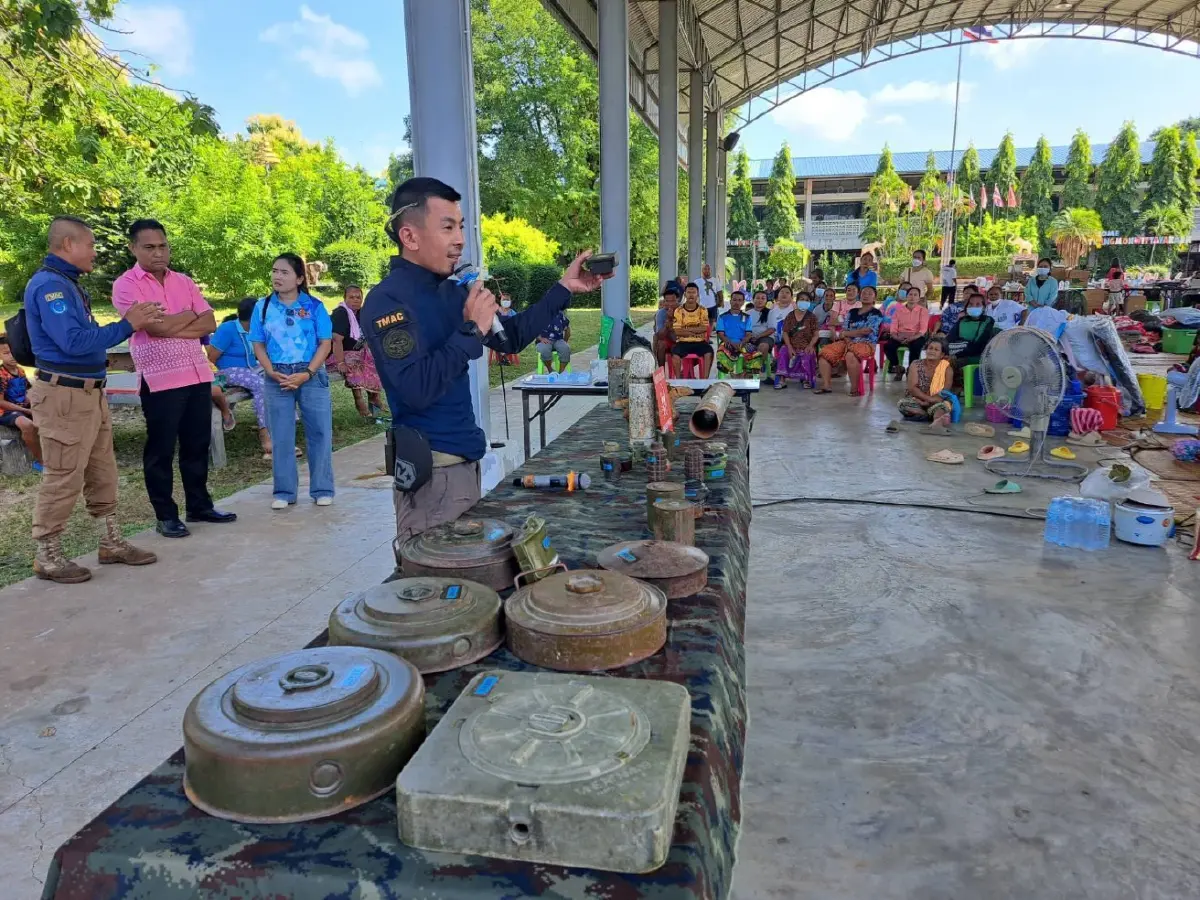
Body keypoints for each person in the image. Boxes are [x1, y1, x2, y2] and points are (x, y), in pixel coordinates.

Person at [362, 177, 611, 547]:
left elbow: (510, 337)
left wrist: (563, 289)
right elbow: (415, 388)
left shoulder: (453, 288)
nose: (460, 238)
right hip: (434, 473)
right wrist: (470, 332)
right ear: (409, 237)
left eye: (461, 226)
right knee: (442, 592)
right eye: (447, 227)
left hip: (466, 464)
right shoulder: (388, 302)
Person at [24, 216, 161, 582]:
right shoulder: (49, 287)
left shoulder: (69, 284)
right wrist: (127, 324)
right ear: (68, 245)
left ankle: (111, 541)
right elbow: (73, 342)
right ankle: (48, 555)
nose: (95, 253)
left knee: (103, 469)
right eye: (91, 245)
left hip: (89, 392)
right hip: (64, 395)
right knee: (63, 474)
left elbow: (83, 336)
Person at [112, 219, 236, 538]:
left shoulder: (183, 281)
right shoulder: (126, 285)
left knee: (197, 443)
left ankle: (199, 505)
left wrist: (173, 322)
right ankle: (166, 515)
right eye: (149, 247)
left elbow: (209, 322)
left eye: (163, 246)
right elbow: (153, 327)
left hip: (196, 374)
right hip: (159, 380)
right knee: (161, 449)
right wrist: (186, 317)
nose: (158, 253)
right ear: (133, 249)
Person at [249, 253, 336, 511]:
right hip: (278, 376)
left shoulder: (315, 306)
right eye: (275, 271)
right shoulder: (262, 306)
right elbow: (258, 344)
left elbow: (326, 343)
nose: (277, 276)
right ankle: (285, 492)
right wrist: (271, 371)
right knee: (282, 436)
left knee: (319, 433)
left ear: (299, 278)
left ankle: (322, 489)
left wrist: (307, 373)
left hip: (310, 375)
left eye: (284, 272)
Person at [208, 297, 273, 459]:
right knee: (260, 384)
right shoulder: (228, 329)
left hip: (253, 368)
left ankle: (285, 429)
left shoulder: (256, 330)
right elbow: (212, 356)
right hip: (230, 371)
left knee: (279, 378)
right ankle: (265, 434)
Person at [330, 284, 385, 418]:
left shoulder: (362, 313)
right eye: (351, 297)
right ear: (345, 298)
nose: (355, 300)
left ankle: (374, 396)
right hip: (338, 353)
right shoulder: (341, 313)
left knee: (376, 361)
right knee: (354, 365)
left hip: (357, 351)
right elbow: (336, 341)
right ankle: (359, 401)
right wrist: (341, 363)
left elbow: (367, 336)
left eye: (358, 297)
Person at [818, 285, 884, 396]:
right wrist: (848, 339)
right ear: (860, 295)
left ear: (874, 298)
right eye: (863, 293)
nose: (866, 295)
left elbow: (866, 331)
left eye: (869, 293)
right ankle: (826, 385)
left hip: (866, 344)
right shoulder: (852, 312)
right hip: (847, 341)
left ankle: (855, 389)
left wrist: (846, 334)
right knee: (824, 353)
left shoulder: (876, 313)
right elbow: (844, 328)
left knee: (851, 354)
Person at [0, 336, 41, 471]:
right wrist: (26, 411)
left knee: (48, 417)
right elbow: (1, 402)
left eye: (14, 351)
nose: (12, 356)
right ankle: (40, 460)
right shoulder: (1, 375)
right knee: (27, 424)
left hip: (22, 408)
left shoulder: (21, 371)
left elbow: (27, 392)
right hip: (5, 412)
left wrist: (33, 403)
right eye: (6, 353)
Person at [898, 334, 955, 427]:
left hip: (937, 401)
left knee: (943, 407)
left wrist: (930, 401)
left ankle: (936, 421)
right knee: (903, 404)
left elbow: (945, 392)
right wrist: (926, 400)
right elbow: (912, 388)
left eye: (936, 349)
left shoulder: (947, 369)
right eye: (930, 348)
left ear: (942, 354)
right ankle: (927, 415)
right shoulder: (916, 364)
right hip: (917, 400)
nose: (932, 351)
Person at [884, 283, 929, 379]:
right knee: (888, 346)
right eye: (910, 294)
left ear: (918, 298)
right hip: (899, 336)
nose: (912, 297)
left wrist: (912, 337)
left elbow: (923, 330)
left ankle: (911, 370)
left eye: (915, 295)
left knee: (916, 346)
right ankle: (898, 367)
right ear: (906, 296)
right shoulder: (898, 311)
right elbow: (893, 328)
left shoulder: (923, 311)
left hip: (916, 336)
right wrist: (897, 337)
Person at [775, 290, 820, 388]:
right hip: (791, 344)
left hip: (806, 345)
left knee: (808, 354)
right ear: (797, 301)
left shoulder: (812, 317)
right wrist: (789, 347)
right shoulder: (790, 316)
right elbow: (785, 332)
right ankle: (782, 380)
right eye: (802, 299)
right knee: (783, 351)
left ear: (810, 303)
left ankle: (806, 379)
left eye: (807, 300)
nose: (804, 301)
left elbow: (816, 334)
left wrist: (810, 345)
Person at [671, 282, 713, 377]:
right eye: (689, 292)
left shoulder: (703, 310)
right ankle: (678, 381)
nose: (691, 294)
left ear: (697, 294)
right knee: (675, 354)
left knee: (709, 352)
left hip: (699, 342)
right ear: (685, 294)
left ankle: (705, 381)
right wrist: (695, 330)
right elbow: (677, 331)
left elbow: (704, 329)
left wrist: (686, 330)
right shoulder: (678, 310)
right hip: (682, 342)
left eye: (693, 292)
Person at [946, 290, 997, 368]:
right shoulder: (962, 320)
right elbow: (950, 338)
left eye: (978, 304)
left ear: (983, 308)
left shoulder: (988, 321)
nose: (974, 306)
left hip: (976, 356)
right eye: (971, 304)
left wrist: (956, 355)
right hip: (956, 353)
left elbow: (980, 344)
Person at [714, 290, 751, 375]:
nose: (736, 302)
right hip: (727, 343)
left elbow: (749, 334)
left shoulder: (748, 317)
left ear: (743, 302)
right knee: (721, 352)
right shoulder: (722, 317)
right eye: (734, 300)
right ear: (730, 301)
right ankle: (730, 374)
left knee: (756, 354)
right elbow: (721, 334)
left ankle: (745, 376)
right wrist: (732, 343)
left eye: (739, 300)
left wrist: (742, 343)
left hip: (743, 343)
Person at [744, 288, 774, 376]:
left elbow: (771, 329)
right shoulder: (747, 313)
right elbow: (744, 329)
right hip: (750, 337)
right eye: (757, 298)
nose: (760, 300)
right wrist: (749, 336)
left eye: (763, 298)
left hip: (766, 338)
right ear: (753, 300)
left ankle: (755, 371)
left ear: (766, 301)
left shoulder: (770, 312)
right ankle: (747, 370)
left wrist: (758, 336)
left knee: (763, 346)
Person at [654, 284, 680, 367]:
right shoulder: (661, 313)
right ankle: (662, 372)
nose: (669, 304)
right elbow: (660, 336)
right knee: (661, 344)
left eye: (672, 301)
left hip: (682, 341)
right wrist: (668, 320)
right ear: (664, 301)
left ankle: (684, 372)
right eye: (667, 301)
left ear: (678, 300)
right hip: (668, 340)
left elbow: (678, 336)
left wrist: (672, 324)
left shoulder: (683, 311)